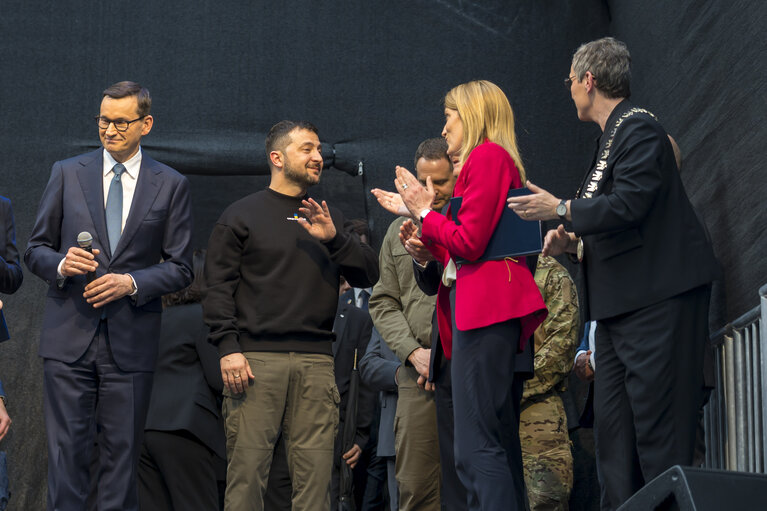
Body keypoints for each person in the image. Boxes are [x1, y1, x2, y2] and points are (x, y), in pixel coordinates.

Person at [506, 38, 719, 510]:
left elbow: (631, 203)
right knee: (614, 442)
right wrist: (574, 239)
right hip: (619, 315)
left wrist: (561, 206)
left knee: (660, 440)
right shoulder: (610, 140)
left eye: (570, 81)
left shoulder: (639, 128)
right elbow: (621, 223)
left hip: (656, 306)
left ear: (589, 81)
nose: (569, 91)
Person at [25, 81, 193, 511]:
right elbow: (35, 249)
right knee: (66, 457)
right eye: (104, 120)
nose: (110, 129)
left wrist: (130, 283)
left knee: (122, 459)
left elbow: (180, 267)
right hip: (68, 340)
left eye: (121, 122)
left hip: (131, 342)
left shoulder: (170, 184)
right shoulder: (67, 172)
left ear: (146, 124)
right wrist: (62, 264)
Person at [202, 120, 378, 511]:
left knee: (316, 487)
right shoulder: (241, 215)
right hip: (254, 363)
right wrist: (228, 348)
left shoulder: (325, 217)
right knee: (247, 481)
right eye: (307, 149)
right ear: (277, 158)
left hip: (316, 363)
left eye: (319, 149)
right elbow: (217, 289)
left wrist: (335, 238)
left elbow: (368, 273)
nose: (318, 157)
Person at [394, 80, 547, 510]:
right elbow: (469, 247)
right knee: (476, 449)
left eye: (449, 116)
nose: (444, 129)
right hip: (478, 312)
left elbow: (473, 243)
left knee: (476, 449)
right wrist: (428, 241)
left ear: (473, 114)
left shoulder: (488, 156)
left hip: (484, 314)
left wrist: (425, 211)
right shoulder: (487, 162)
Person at [369, 137, 459, 511]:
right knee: (416, 488)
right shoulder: (396, 232)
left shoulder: (468, 219)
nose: (433, 192)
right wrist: (413, 353)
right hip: (418, 377)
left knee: (471, 480)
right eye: (425, 183)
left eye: (442, 182)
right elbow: (383, 301)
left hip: (464, 364)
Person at [138, 249, 226, 511]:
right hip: (185, 429)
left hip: (143, 429)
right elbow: (218, 379)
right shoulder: (205, 318)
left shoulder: (150, 320)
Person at [520, 256, 579, 510]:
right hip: (488, 415)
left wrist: (510, 388)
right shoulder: (479, 272)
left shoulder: (552, 274)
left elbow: (561, 349)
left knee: (546, 501)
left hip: (538, 413)